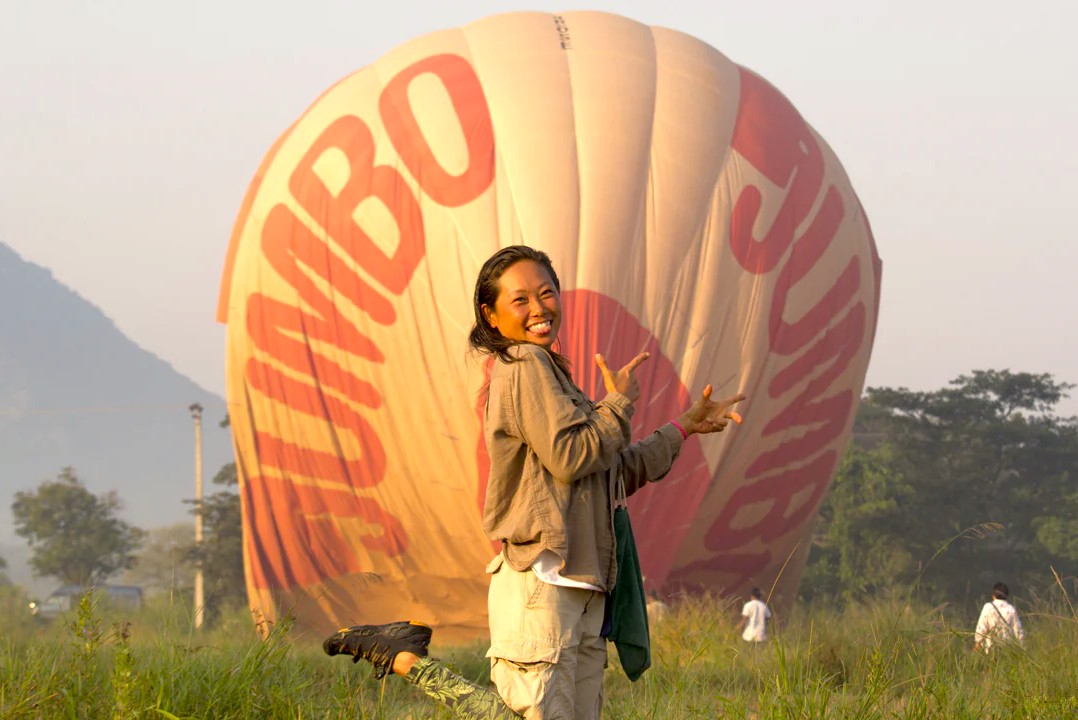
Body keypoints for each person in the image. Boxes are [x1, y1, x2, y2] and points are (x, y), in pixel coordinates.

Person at [323, 245, 745, 720]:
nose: (539, 308)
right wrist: (619, 403)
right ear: (491, 315)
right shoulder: (523, 363)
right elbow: (571, 456)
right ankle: (406, 660)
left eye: (546, 293)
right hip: (543, 585)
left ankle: (404, 656)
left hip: (584, 588)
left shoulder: (558, 379)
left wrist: (684, 426)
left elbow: (611, 474)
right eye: (520, 299)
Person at [973, 581, 1024, 653]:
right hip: (1007, 648)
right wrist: (1021, 647)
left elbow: (981, 627)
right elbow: (1018, 631)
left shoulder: (988, 607)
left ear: (994, 595)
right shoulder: (1011, 609)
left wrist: (978, 642)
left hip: (991, 648)